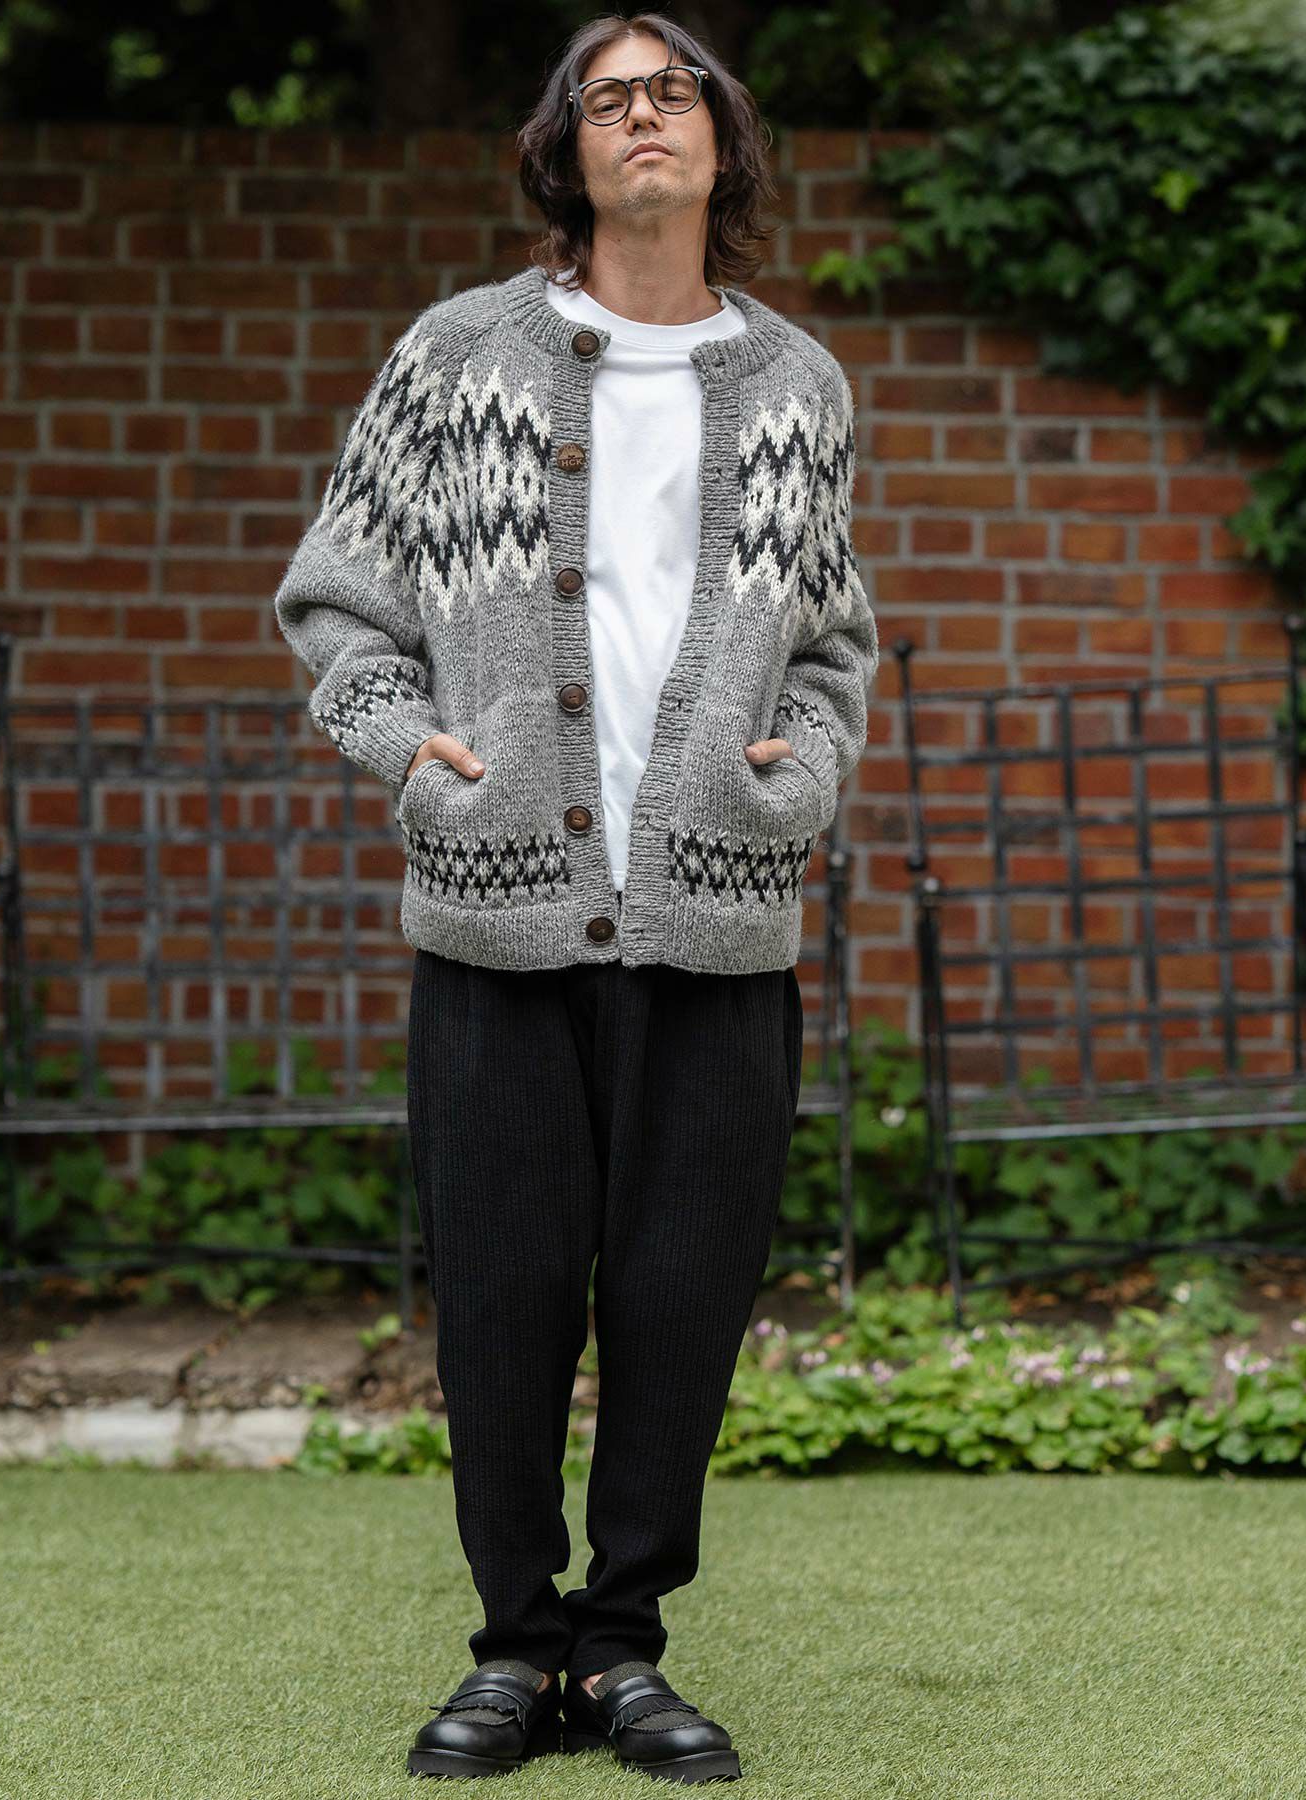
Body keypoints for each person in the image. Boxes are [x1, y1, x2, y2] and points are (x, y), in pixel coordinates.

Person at [273, 10, 876, 1784]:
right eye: (608, 99)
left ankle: (623, 1653)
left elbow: (833, 647)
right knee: (504, 1305)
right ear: (567, 150)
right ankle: (512, 1650)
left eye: (673, 90)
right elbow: (334, 600)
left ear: (721, 138)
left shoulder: (800, 386)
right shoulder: (458, 354)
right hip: (501, 909)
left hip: (715, 913)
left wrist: (802, 779)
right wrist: (411, 751)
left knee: (683, 1306)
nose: (644, 117)